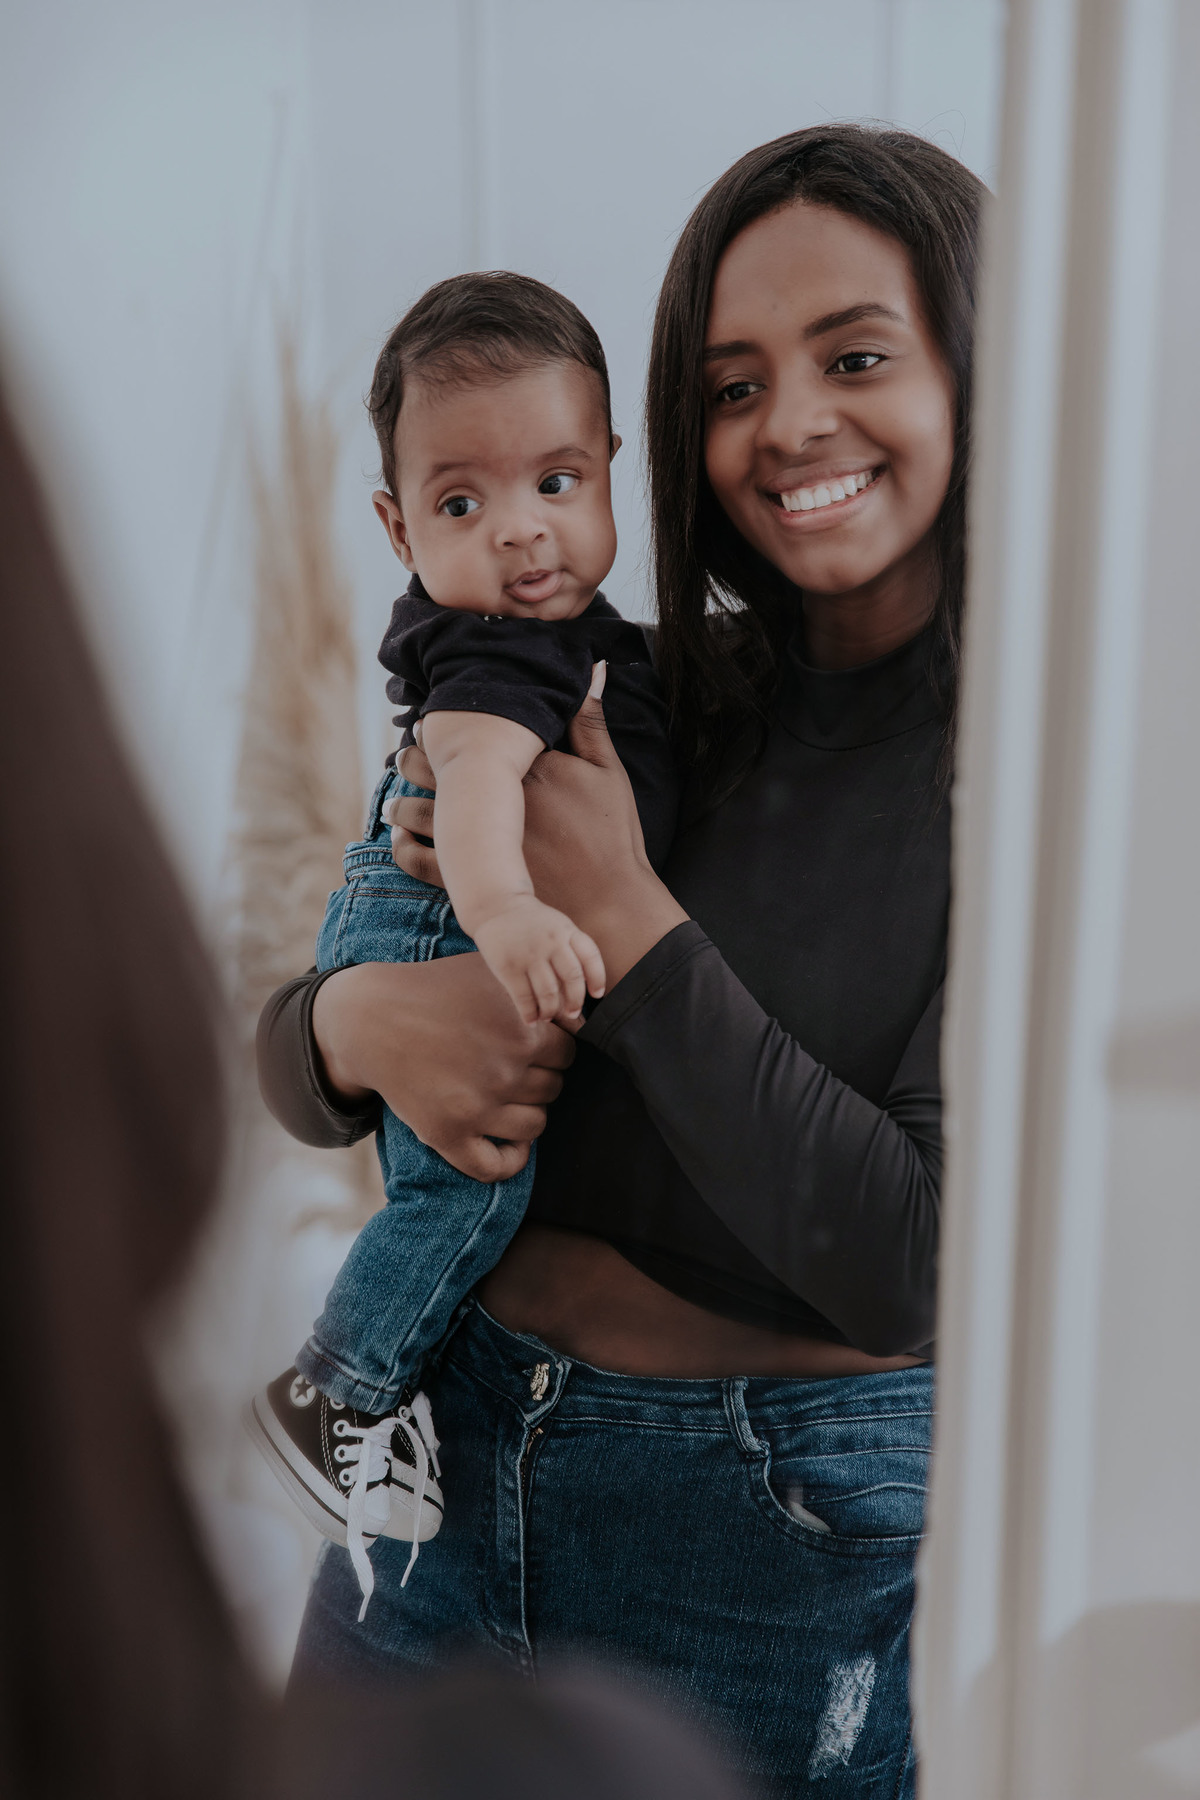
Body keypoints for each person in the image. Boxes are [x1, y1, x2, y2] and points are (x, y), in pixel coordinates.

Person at [259, 123, 981, 1797]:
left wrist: (632, 921)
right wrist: (363, 1025)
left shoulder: (1060, 793)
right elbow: (303, 1047)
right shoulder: (607, 699)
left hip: (771, 1559)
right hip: (439, 1470)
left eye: (855, 355)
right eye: (728, 385)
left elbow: (908, 1267)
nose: (789, 423)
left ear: (979, 364)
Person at [248, 275, 678, 1616]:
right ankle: (332, 1396)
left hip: (415, 925)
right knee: (465, 1194)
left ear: (612, 468)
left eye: (557, 481)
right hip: (438, 923)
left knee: (460, 1193)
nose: (523, 534)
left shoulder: (569, 640)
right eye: (460, 505)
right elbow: (479, 805)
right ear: (395, 525)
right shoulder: (496, 664)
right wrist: (510, 919)